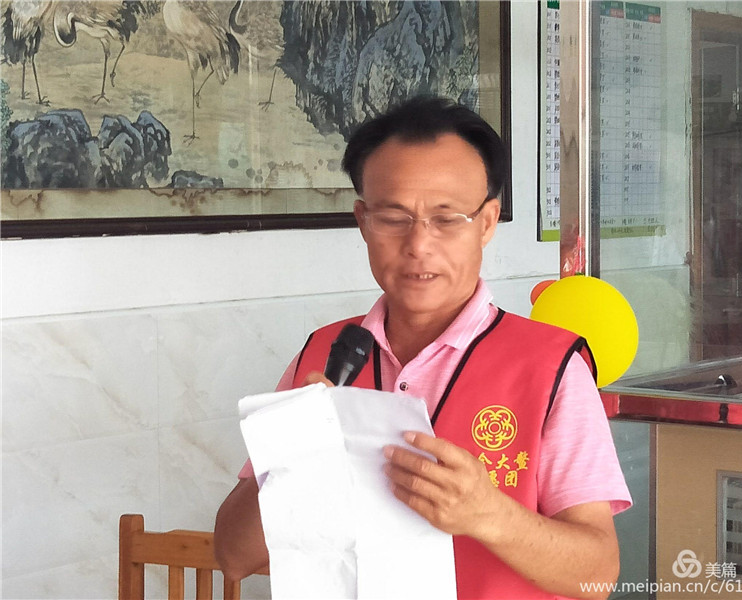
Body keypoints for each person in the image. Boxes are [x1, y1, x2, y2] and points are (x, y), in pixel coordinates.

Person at [214, 96, 631, 600]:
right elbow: (233, 556)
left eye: (447, 218)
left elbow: (597, 575)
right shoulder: (324, 354)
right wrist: (295, 455)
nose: (418, 244)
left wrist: (490, 515)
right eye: (394, 218)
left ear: (487, 222)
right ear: (363, 220)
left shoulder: (551, 366)